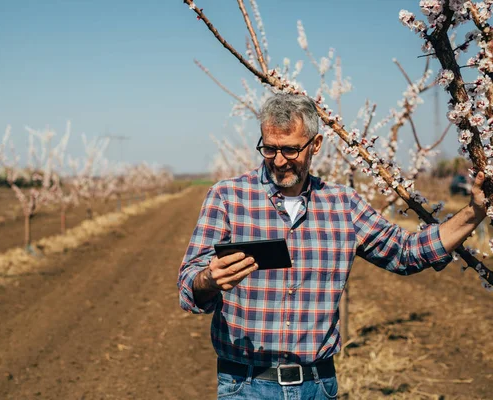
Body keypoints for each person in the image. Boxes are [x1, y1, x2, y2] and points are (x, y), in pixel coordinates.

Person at [177, 93, 487, 399]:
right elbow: (189, 285)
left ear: (315, 145)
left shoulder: (343, 205)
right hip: (245, 385)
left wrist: (474, 213)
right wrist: (209, 279)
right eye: (269, 149)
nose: (279, 160)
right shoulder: (228, 198)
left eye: (290, 149)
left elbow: (405, 252)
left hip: (318, 385)